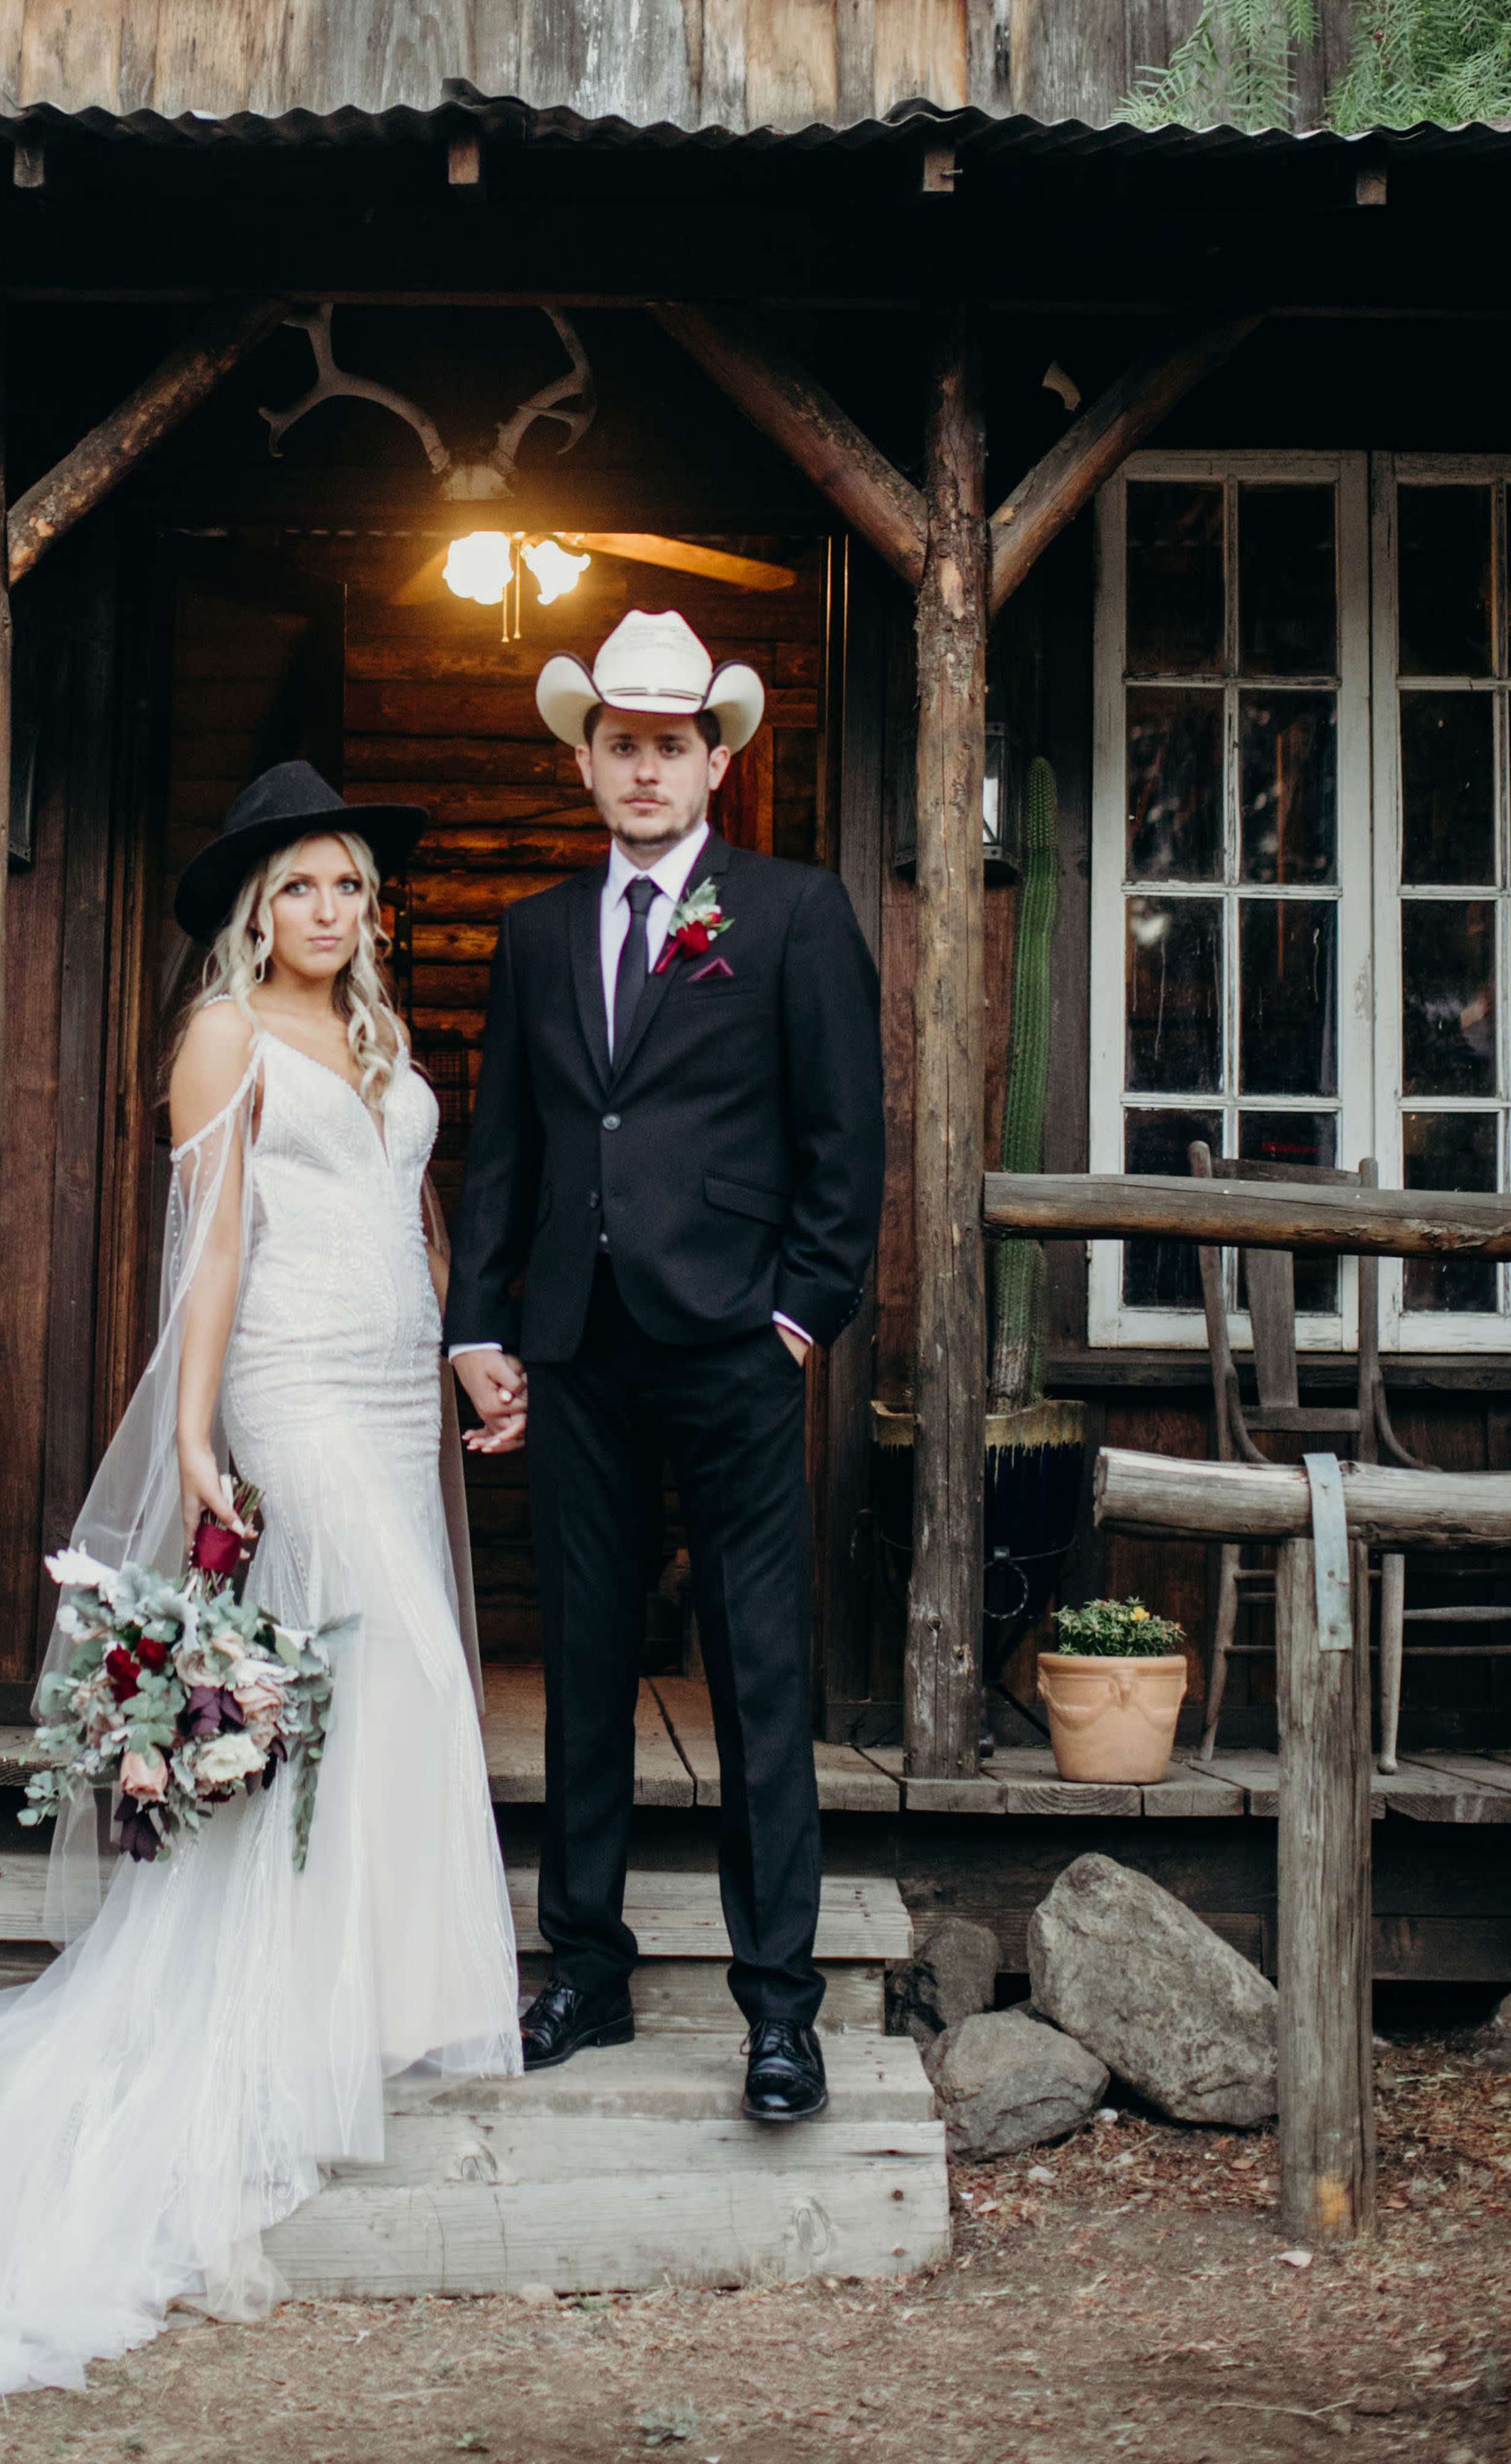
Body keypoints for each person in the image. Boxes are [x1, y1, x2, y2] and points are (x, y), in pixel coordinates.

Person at [0, 759, 519, 2398]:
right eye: (304, 887)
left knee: (404, 1672)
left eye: (350, 887)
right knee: (365, 1650)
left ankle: (386, 1984)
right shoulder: (222, 1035)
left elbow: (419, 1214)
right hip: (292, 1384)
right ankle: (284, 2019)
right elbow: (214, 1245)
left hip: (397, 1388)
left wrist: (466, 1360)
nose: (332, 910)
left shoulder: (380, 1042)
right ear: (259, 907)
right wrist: (194, 1439)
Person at [444, 610, 884, 2122]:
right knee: (580, 1669)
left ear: (715, 762)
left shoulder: (796, 913)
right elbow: (506, 1149)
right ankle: (587, 1969)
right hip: (576, 1348)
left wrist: (795, 1320)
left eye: (670, 745)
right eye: (619, 744)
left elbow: (846, 1146)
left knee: (761, 1676)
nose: (644, 768)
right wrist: (481, 1327)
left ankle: (781, 2008)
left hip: (733, 1349)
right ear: (588, 762)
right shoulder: (537, 933)